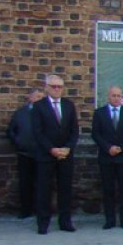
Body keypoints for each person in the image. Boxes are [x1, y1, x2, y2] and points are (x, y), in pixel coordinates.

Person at [32, 74, 79, 234]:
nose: (57, 89)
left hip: (65, 155)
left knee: (65, 189)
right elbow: (37, 132)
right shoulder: (39, 107)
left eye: (60, 86)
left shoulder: (69, 105)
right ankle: (43, 222)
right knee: (44, 189)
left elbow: (74, 130)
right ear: (47, 88)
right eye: (54, 86)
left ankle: (65, 221)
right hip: (46, 155)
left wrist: (67, 148)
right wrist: (51, 149)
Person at [92, 85, 123, 229]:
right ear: (109, 96)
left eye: (119, 96)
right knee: (108, 190)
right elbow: (96, 134)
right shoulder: (99, 113)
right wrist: (108, 148)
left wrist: (121, 147)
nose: (117, 98)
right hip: (107, 157)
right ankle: (110, 220)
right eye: (114, 95)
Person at [6, 88, 43, 218]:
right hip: (24, 153)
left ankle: (40, 210)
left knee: (42, 183)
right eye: (37, 96)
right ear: (30, 97)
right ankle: (25, 210)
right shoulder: (20, 113)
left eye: (41, 97)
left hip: (42, 153)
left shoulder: (45, 113)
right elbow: (11, 131)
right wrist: (18, 142)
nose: (40, 99)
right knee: (25, 183)